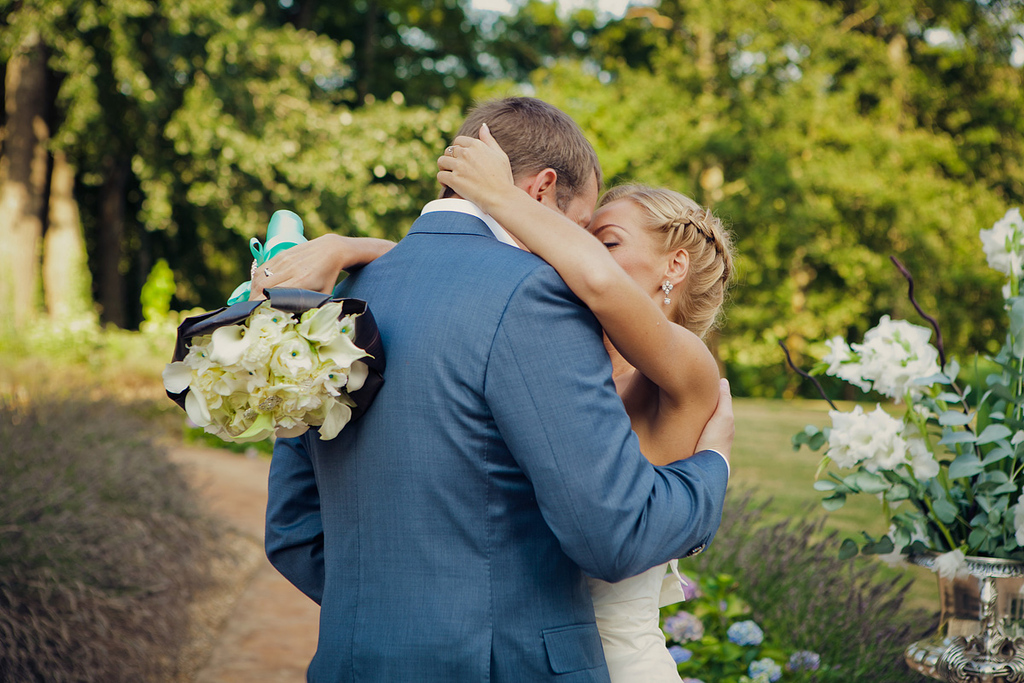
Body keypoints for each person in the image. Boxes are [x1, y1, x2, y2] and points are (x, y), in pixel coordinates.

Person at [261, 97, 733, 683]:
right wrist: (343, 246)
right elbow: (492, 278)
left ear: (674, 267)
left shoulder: (343, 310)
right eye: (583, 230)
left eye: (596, 238)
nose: (569, 249)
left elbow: (293, 531)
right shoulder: (534, 310)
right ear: (544, 190)